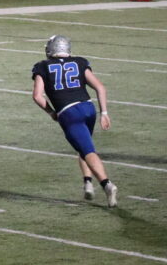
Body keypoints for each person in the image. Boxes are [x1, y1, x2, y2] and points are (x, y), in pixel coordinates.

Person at [31, 35, 118, 207]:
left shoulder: (42, 66)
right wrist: (104, 113)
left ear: (50, 49)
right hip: (88, 108)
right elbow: (100, 87)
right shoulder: (79, 62)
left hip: (69, 113)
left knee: (88, 150)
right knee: (83, 147)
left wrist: (51, 112)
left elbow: (37, 96)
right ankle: (87, 182)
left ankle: (107, 184)